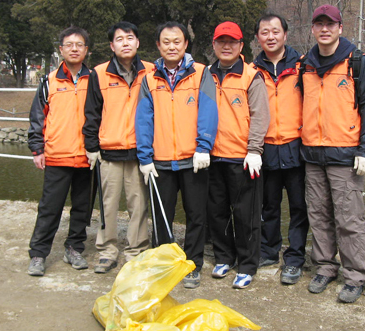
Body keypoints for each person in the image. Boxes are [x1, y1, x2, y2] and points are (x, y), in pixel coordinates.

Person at [301, 4, 365, 303]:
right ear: (312, 29)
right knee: (318, 215)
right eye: (319, 24)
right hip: (312, 154)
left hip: (345, 154)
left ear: (340, 28)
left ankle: (355, 276)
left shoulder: (356, 62)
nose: (324, 29)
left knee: (349, 219)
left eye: (330, 24)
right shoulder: (305, 65)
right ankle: (324, 266)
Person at [135, 21, 218, 289]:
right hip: (160, 162)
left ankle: (192, 264)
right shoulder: (149, 79)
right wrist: (144, 157)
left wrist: (203, 146)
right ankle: (165, 264)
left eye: (177, 41)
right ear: (158, 45)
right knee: (161, 215)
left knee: (196, 215)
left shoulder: (201, 73)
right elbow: (144, 119)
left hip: (193, 159)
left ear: (185, 44)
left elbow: (208, 111)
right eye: (166, 42)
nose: (172, 46)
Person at [82, 22, 154, 274]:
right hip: (108, 152)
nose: (125, 42)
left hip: (140, 152)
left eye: (130, 38)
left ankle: (136, 250)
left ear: (138, 43)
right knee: (108, 204)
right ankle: (108, 249)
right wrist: (91, 146)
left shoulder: (151, 72)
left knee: (139, 203)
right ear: (112, 45)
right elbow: (91, 113)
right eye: (119, 39)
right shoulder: (99, 73)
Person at [207, 21, 270, 289]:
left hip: (242, 157)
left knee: (246, 215)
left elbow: (260, 116)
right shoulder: (205, 75)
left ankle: (247, 264)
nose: (226, 46)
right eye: (221, 41)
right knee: (217, 212)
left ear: (241, 45)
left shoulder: (250, 76)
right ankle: (224, 256)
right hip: (211, 156)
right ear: (214, 44)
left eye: (232, 41)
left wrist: (254, 150)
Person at [27, 26, 93, 276]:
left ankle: (74, 248)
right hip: (57, 155)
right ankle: (38, 254)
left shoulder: (94, 79)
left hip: (87, 157)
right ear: (61, 50)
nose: (74, 49)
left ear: (86, 50)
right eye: (69, 45)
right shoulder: (49, 80)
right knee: (49, 208)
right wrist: (37, 148)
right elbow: (37, 117)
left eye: (79, 45)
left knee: (82, 208)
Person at [253, 14, 309, 285]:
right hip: (265, 149)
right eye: (265, 32)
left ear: (286, 35)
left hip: (296, 148)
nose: (271, 36)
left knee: (299, 207)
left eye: (276, 31)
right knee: (268, 205)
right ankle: (268, 250)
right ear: (258, 38)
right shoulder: (252, 70)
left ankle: (295, 257)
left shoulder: (303, 66)